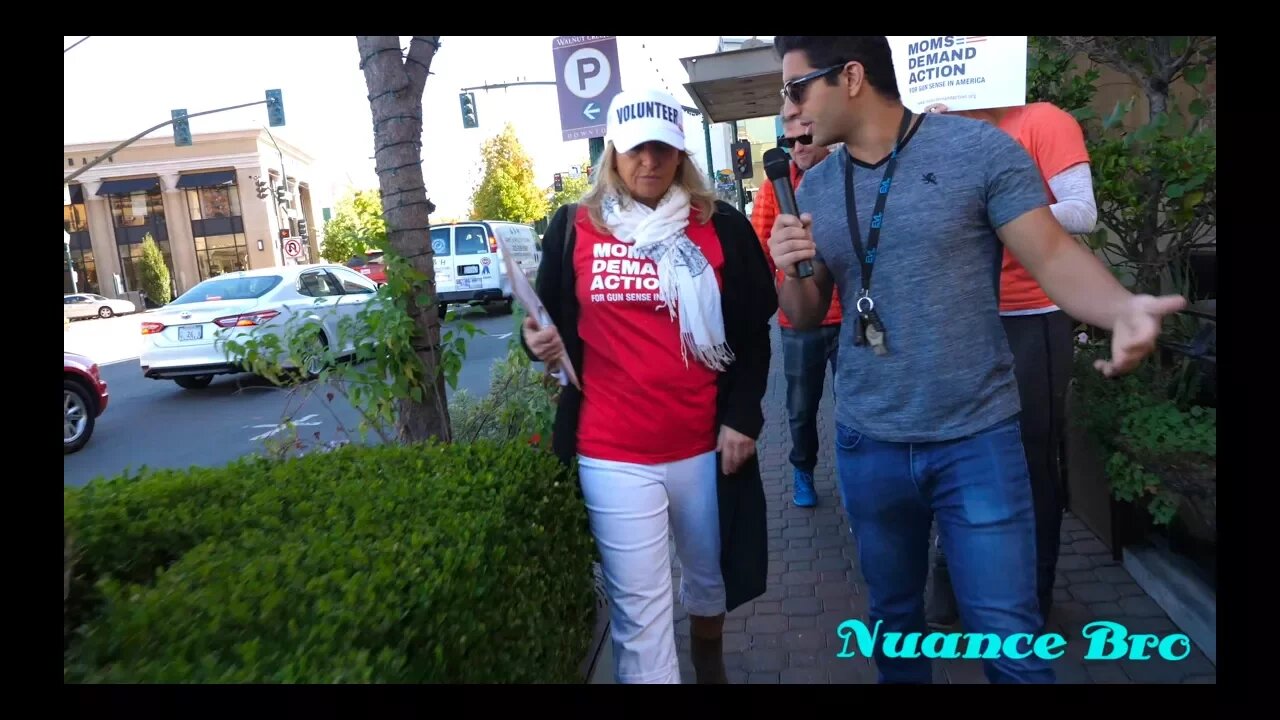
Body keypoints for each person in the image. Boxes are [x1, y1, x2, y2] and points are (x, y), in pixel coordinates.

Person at [767, 36, 1186, 684]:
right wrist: (787, 265)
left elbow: (1051, 254)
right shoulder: (815, 186)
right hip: (868, 440)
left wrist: (1121, 308)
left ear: (850, 77)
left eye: (796, 88)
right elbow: (802, 312)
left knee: (1011, 643)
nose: (789, 109)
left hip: (976, 438)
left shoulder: (977, 152)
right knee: (893, 628)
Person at [521, 87, 777, 684]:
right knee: (640, 614)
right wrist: (540, 345)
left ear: (681, 154)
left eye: (663, 149)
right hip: (611, 451)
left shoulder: (721, 228)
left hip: (702, 448)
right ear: (613, 152)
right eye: (636, 149)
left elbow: (753, 334)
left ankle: (708, 660)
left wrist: (743, 417)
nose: (649, 163)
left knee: (708, 581)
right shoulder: (572, 228)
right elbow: (546, 326)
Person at [921, 100, 1098, 630]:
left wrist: (997, 213)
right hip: (955, 316)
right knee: (954, 453)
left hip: (1031, 316)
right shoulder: (926, 126)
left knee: (1031, 461)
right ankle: (953, 593)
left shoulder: (1043, 120)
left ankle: (1032, 599)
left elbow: (1082, 211)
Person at [751, 112, 840, 508]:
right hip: (798, 321)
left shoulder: (847, 172)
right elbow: (760, 252)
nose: (798, 148)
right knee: (801, 407)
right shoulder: (776, 186)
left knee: (855, 408)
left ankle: (856, 476)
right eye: (789, 143)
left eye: (805, 138)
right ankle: (802, 470)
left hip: (850, 317)